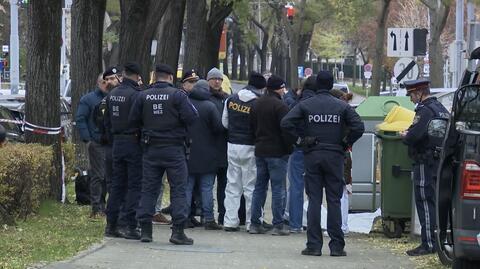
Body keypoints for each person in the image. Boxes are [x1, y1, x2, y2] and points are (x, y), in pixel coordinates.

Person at [281, 71, 364, 257]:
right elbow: (359, 127)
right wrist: (345, 142)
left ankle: (314, 245)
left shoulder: (306, 105)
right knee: (334, 200)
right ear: (332, 84)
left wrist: (301, 141)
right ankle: (336, 246)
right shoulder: (342, 106)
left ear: (317, 85)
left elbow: (286, 123)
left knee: (314, 201)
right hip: (335, 156)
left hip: (313, 155)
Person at [130, 63, 198, 244]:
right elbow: (192, 117)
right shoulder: (178, 95)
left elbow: (133, 120)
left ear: (155, 77)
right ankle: (177, 232)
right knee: (178, 190)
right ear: (169, 77)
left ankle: (145, 230)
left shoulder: (143, 95)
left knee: (149, 189)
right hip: (174, 149)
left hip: (150, 149)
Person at [401, 79, 449, 256]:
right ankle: (437, 241)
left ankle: (428, 243)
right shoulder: (440, 108)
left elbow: (414, 136)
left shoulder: (425, 110)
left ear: (420, 92)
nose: (411, 99)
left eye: (412, 95)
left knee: (425, 201)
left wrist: (405, 135)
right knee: (434, 201)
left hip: (424, 160)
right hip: (438, 161)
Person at [104, 62, 144, 240]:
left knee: (117, 185)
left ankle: (111, 224)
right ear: (136, 76)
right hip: (133, 142)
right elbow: (141, 121)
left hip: (117, 143)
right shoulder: (136, 95)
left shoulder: (112, 94)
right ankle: (129, 224)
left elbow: (106, 122)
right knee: (134, 185)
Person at [222, 71, 266, 232]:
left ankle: (230, 221)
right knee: (251, 187)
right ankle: (251, 221)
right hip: (251, 146)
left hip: (232, 145)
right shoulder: (259, 103)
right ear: (261, 88)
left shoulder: (231, 99)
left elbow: (225, 123)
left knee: (232, 185)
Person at [249, 75, 292, 236]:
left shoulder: (256, 104)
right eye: (283, 88)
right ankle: (278, 224)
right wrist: (289, 148)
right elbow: (286, 130)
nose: (284, 91)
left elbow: (251, 127)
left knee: (259, 187)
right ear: (279, 88)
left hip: (260, 150)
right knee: (278, 188)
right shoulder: (280, 106)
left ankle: (254, 223)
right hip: (277, 152)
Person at [187, 79, 224, 230]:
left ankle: (184, 217)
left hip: (188, 152)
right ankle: (208, 219)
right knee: (207, 188)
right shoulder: (210, 106)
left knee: (187, 187)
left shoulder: (185, 103)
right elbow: (219, 128)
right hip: (208, 153)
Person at [284, 76, 317, 233]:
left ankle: (295, 224)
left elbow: (286, 123)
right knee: (315, 188)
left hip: (298, 149)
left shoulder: (298, 103)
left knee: (296, 186)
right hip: (316, 149)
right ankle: (313, 224)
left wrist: (298, 140)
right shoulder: (319, 104)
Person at [76, 74, 111, 218]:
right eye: (104, 81)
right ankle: (96, 206)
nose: (107, 84)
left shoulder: (114, 98)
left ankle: (106, 205)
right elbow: (80, 118)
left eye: (110, 81)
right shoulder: (88, 99)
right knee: (98, 175)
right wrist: (87, 139)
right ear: (98, 83)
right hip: (96, 142)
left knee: (109, 175)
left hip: (111, 142)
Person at [206, 67, 230, 225]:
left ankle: (223, 214)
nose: (217, 81)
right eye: (214, 79)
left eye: (219, 79)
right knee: (207, 185)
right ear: (208, 80)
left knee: (224, 186)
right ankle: (207, 216)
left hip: (225, 148)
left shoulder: (227, 98)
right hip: (208, 146)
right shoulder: (205, 98)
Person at [330, 88, 355, 235]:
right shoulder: (347, 111)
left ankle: (341, 226)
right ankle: (342, 225)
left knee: (341, 192)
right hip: (347, 153)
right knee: (344, 191)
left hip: (342, 155)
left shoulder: (340, 112)